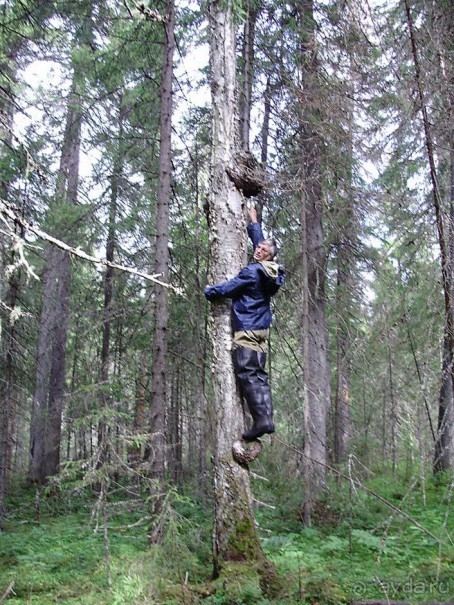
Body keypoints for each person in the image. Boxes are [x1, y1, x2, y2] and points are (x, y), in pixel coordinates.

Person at [204, 207, 284, 441]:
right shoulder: (269, 270)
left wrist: (209, 291)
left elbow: (228, 288)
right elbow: (261, 246)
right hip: (260, 328)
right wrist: (254, 223)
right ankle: (266, 419)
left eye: (263, 250)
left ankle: (262, 421)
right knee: (258, 374)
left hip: (248, 327)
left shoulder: (251, 271)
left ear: (269, 256)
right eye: (258, 248)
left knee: (248, 373)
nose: (258, 250)